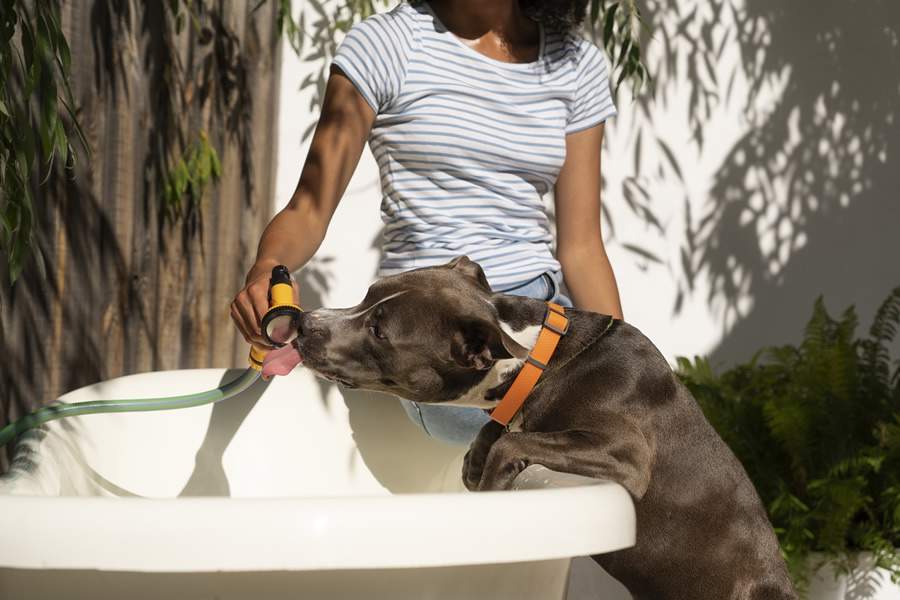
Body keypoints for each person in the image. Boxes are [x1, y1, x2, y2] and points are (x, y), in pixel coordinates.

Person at [231, 0, 624, 445]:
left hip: (541, 314)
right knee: (562, 446)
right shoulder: (387, 45)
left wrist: (625, 364)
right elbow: (308, 208)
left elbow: (583, 248)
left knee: (607, 430)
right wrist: (267, 267)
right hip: (433, 335)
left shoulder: (574, 63)